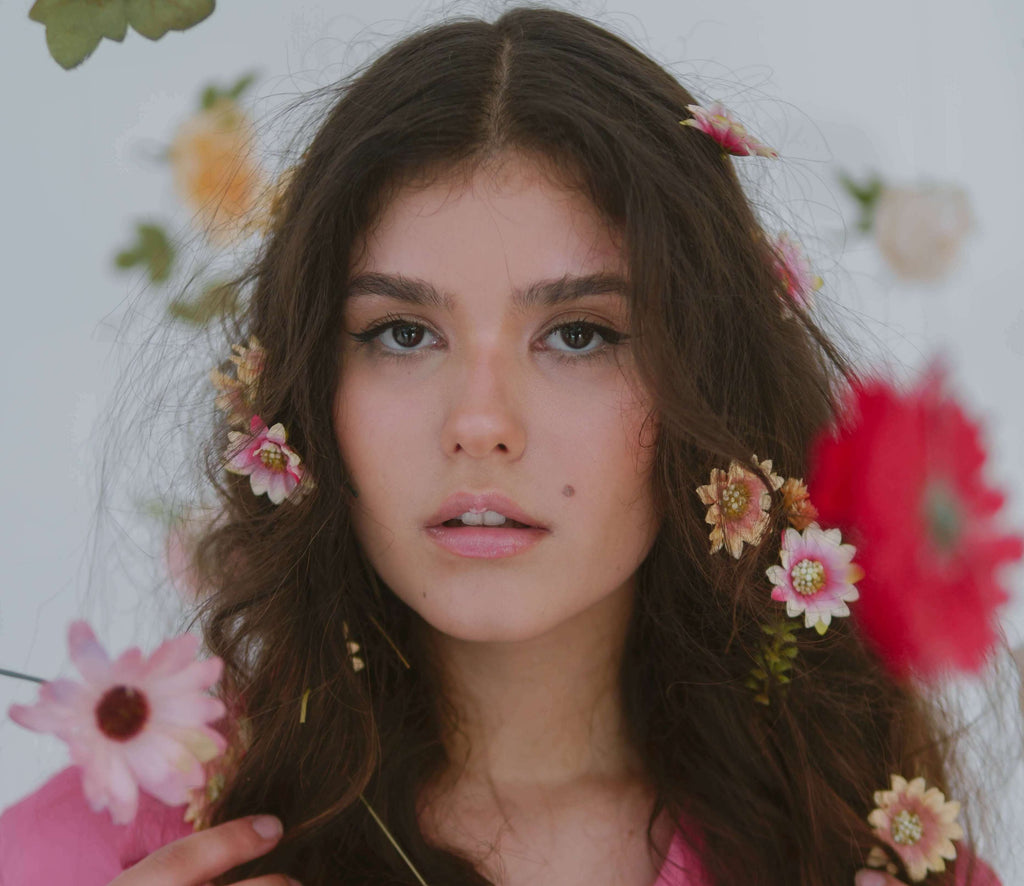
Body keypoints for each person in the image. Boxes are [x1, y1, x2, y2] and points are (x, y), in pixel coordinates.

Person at [0, 6, 1009, 886]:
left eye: (578, 335)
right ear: (306, 393)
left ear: (707, 381)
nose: (479, 421)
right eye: (403, 333)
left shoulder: (851, 850)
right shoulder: (129, 839)